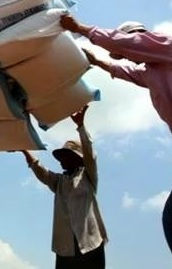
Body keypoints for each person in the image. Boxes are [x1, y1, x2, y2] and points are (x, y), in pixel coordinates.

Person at [59, 13, 172, 268]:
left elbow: (129, 46)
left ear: (139, 35)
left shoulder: (169, 45)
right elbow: (125, 71)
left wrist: (80, 28)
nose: (127, 55)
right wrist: (100, 62)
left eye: (128, 47)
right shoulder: (151, 73)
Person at [19, 105, 107, 269]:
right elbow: (41, 171)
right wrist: (24, 151)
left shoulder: (88, 176)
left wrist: (80, 126)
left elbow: (90, 155)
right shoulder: (59, 182)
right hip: (66, 247)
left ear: (77, 158)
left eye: (65, 156)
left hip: (90, 242)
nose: (61, 161)